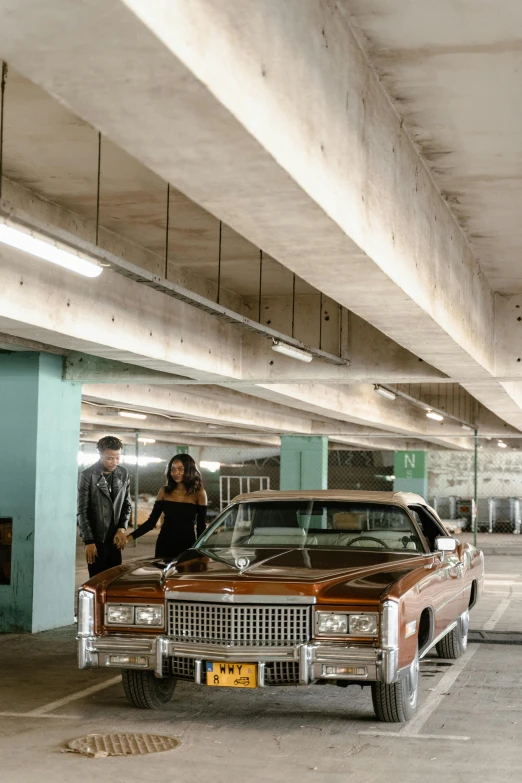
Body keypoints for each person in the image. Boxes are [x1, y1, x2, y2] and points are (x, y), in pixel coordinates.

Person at [127, 453, 207, 559]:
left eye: (180, 469)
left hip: (187, 545)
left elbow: (201, 526)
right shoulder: (164, 491)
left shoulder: (199, 493)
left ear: (189, 470)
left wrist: (200, 550)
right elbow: (151, 522)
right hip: (164, 544)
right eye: (172, 469)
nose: (175, 473)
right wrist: (129, 537)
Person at [77, 435, 131, 578]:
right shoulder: (87, 475)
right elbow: (82, 511)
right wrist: (89, 541)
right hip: (96, 540)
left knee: (114, 582)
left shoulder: (123, 473)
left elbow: (127, 505)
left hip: (115, 539)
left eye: (117, 458)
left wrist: (122, 529)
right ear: (100, 454)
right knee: (97, 582)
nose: (114, 462)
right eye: (110, 458)